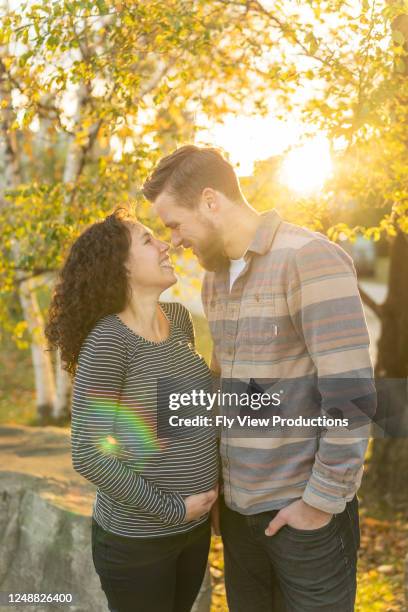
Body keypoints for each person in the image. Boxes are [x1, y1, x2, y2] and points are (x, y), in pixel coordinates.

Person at [143, 145, 377, 611]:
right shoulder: (215, 280)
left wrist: (319, 503)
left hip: (305, 517)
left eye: (174, 224)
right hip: (237, 517)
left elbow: (350, 394)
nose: (173, 240)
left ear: (211, 201)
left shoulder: (309, 258)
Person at [45, 207, 218, 612]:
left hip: (194, 530)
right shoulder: (109, 344)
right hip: (139, 543)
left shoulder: (177, 318)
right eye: (148, 240)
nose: (165, 244)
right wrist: (173, 508)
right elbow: (89, 454)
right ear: (120, 267)